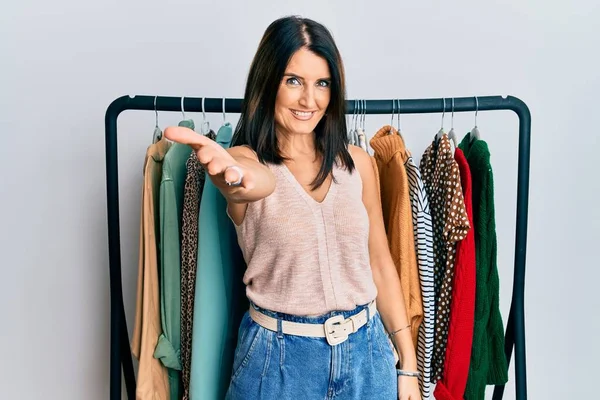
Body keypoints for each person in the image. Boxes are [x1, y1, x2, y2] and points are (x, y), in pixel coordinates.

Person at [165, 15, 421, 400]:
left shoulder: (357, 164)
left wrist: (408, 366)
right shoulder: (243, 160)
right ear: (268, 84)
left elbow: (381, 263)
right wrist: (234, 177)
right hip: (278, 363)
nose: (309, 100)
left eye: (322, 83)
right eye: (293, 81)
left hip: (368, 356)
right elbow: (250, 182)